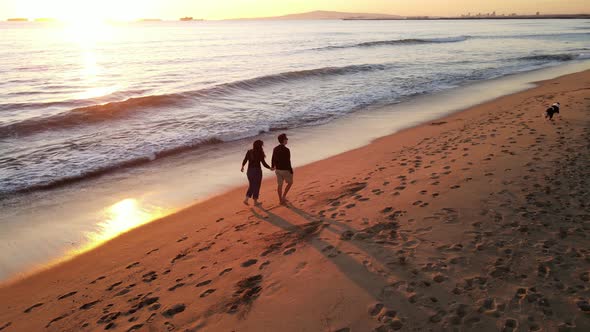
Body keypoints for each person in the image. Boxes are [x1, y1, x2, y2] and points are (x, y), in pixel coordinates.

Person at [241, 140, 272, 206]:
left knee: (252, 185)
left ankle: (246, 199)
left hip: (249, 171)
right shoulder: (260, 153)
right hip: (257, 171)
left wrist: (242, 166)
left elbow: (245, 160)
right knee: (257, 186)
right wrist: (270, 168)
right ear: (260, 146)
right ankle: (255, 201)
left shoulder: (249, 151)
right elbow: (263, 163)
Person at [271, 133, 293, 205]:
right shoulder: (287, 150)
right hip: (285, 170)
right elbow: (288, 161)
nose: (287, 140)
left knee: (280, 185)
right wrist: (291, 170)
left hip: (278, 170)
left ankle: (280, 200)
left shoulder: (275, 149)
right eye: (286, 139)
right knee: (290, 183)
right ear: (283, 140)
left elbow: (273, 158)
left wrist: (273, 166)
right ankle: (284, 196)